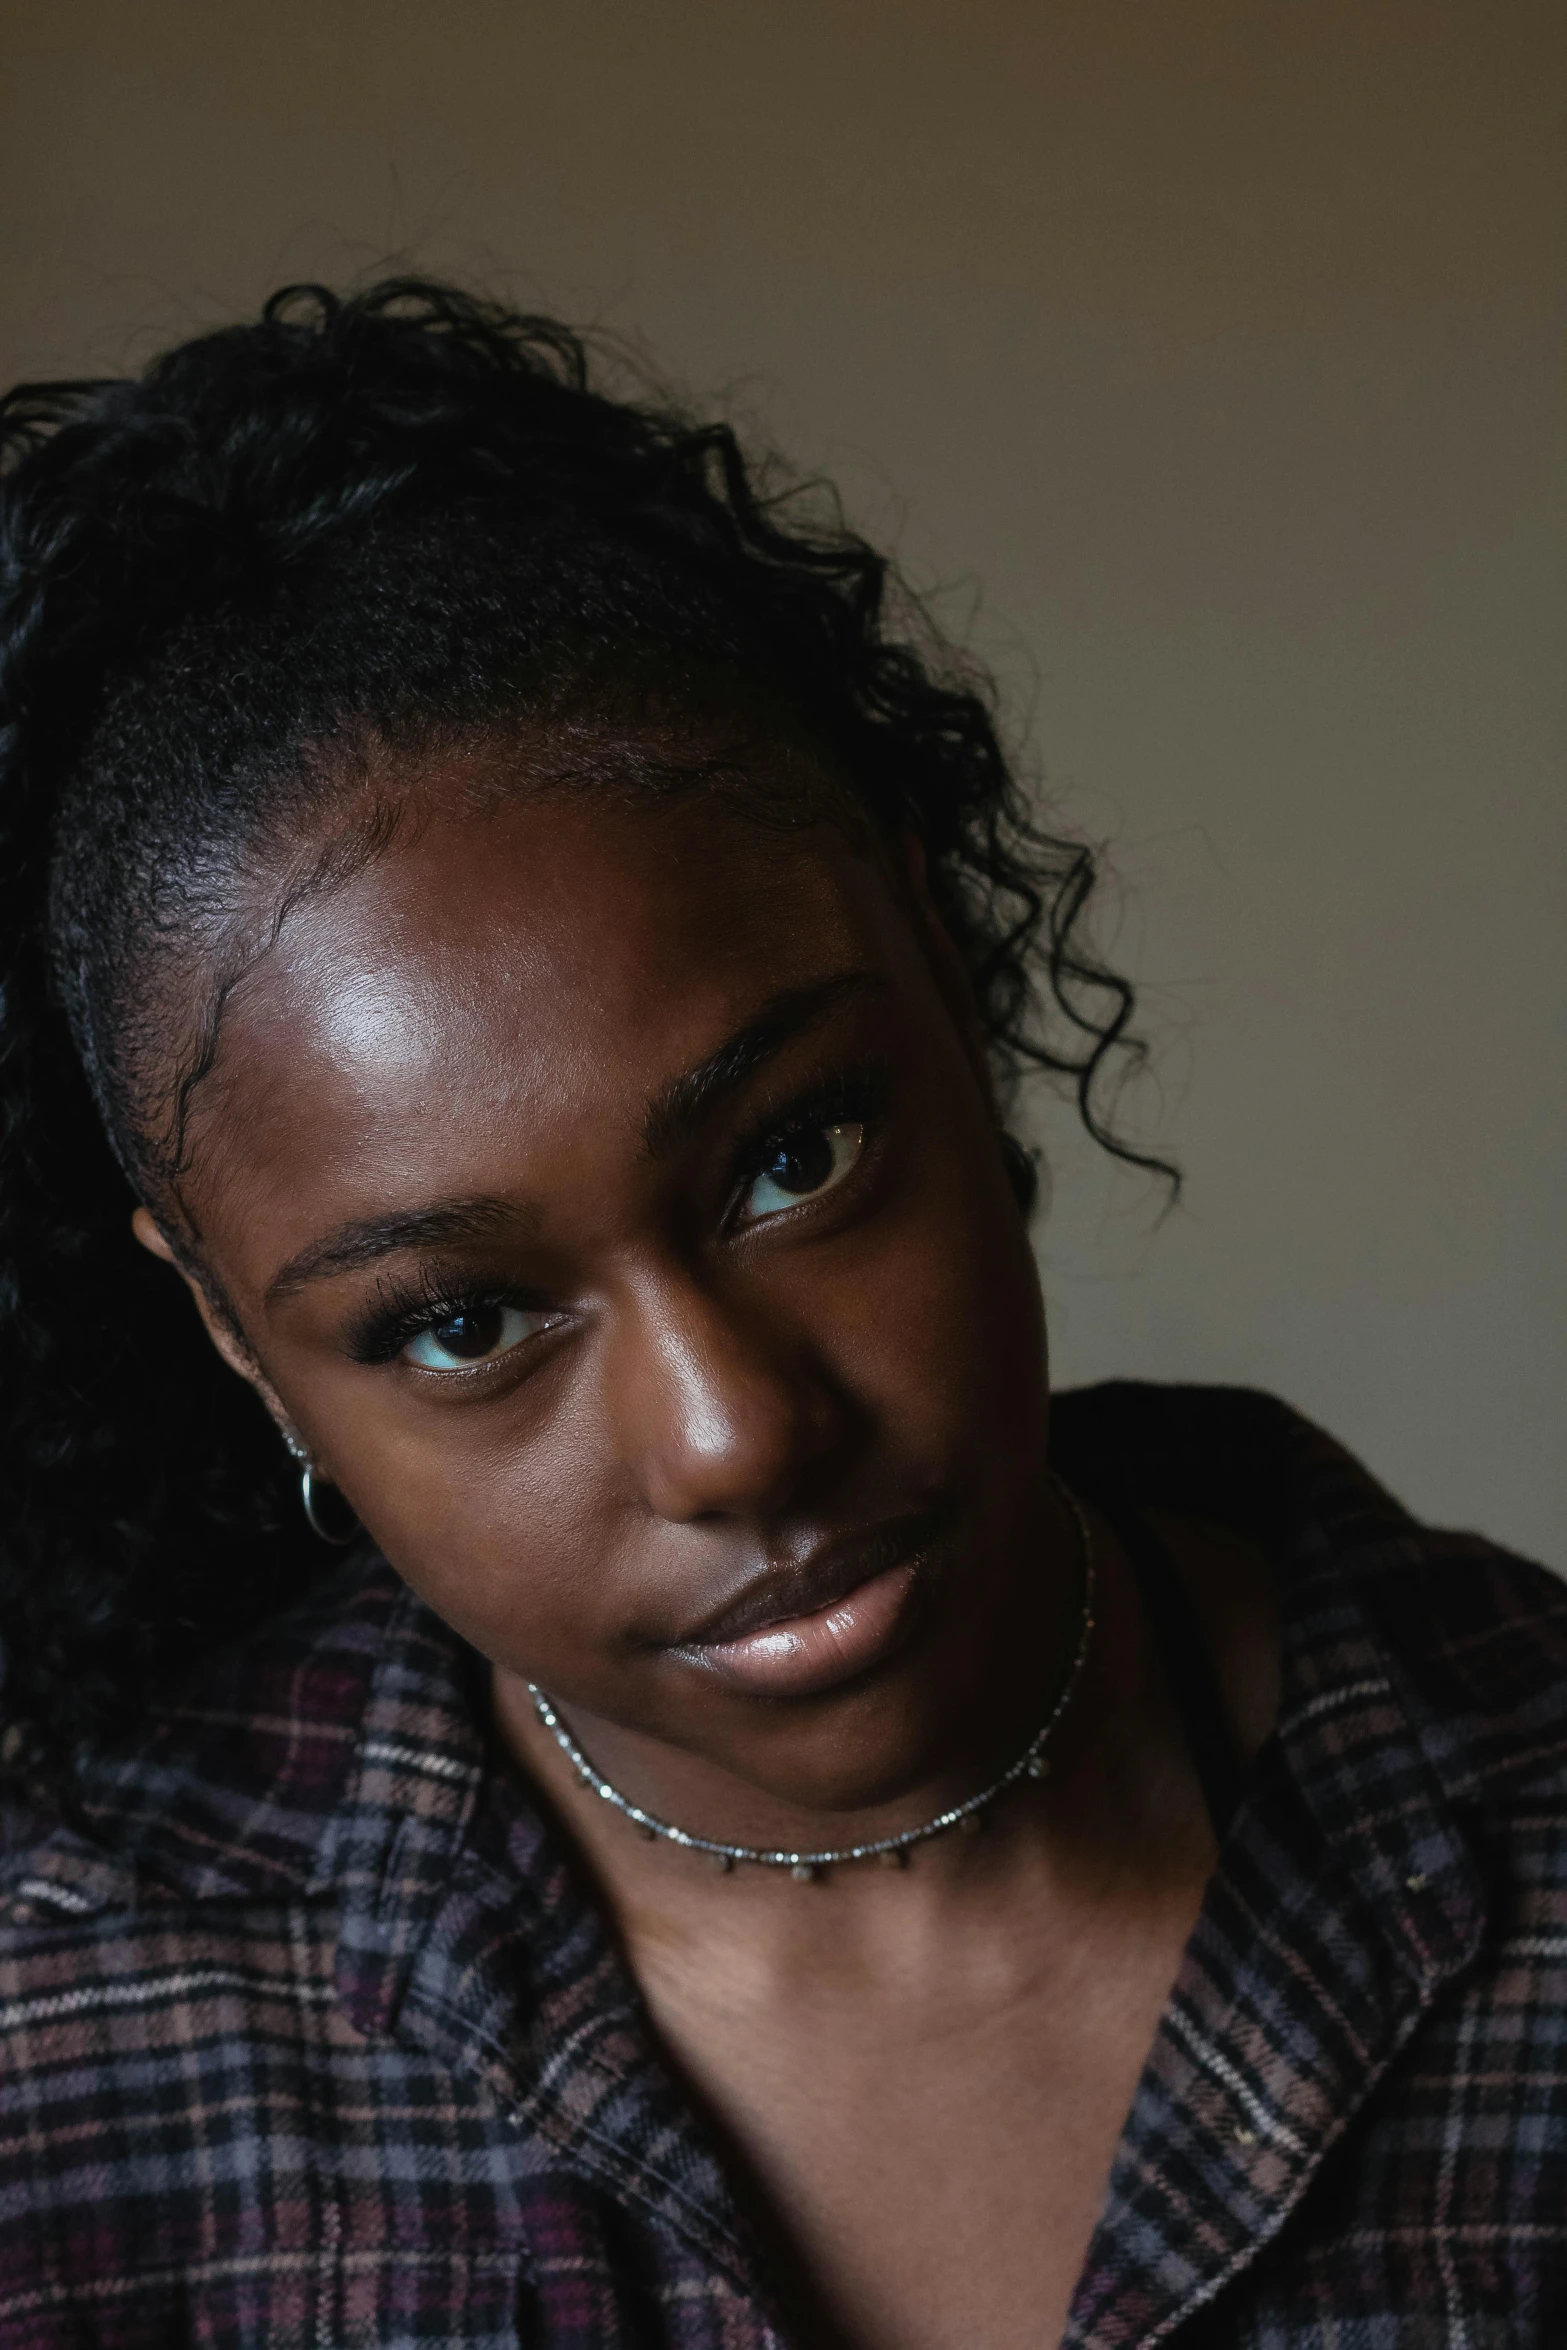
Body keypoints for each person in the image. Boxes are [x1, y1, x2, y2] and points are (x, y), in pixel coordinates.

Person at [0, 279, 1561, 2350]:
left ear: (933, 950)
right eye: (464, 1322)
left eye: (789, 1157)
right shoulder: (61, 2041)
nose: (734, 1428)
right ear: (222, 1323)